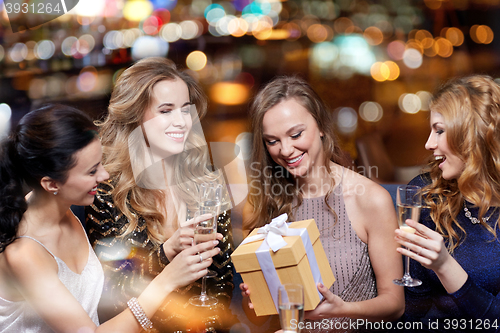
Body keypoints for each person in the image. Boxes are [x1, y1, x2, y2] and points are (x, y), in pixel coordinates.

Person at [0, 104, 219, 332]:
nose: (104, 176)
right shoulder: (23, 254)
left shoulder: (65, 210)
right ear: (51, 184)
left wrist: (165, 252)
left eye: (101, 163)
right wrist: (166, 281)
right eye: (92, 171)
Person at [240, 76, 404, 332]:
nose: (285, 150)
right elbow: (260, 319)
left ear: (321, 127)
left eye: (296, 134)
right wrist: (256, 302)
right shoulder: (263, 201)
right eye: (272, 141)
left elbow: (395, 304)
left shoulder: (369, 199)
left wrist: (343, 310)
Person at [85, 57, 235, 333]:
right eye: (166, 111)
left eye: (186, 110)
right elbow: (108, 296)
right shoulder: (107, 193)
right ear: (135, 116)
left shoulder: (209, 184)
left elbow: (222, 282)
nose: (181, 122)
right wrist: (165, 255)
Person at [395, 75, 500, 332]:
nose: (429, 144)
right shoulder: (426, 193)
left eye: (440, 131)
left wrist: (444, 265)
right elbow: (413, 305)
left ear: (471, 135)